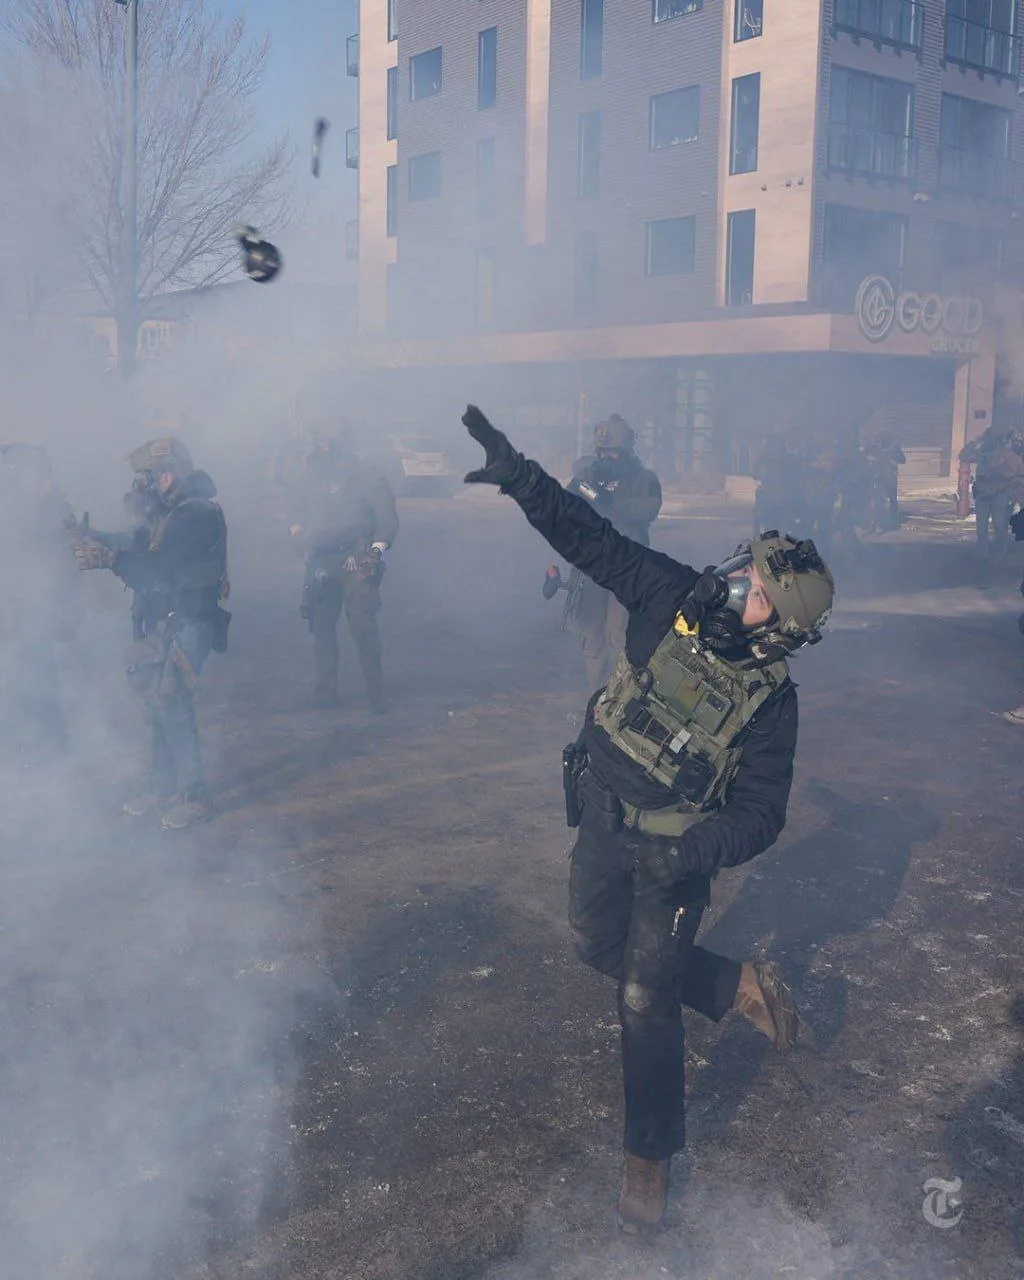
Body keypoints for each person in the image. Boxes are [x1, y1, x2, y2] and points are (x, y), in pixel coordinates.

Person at [461, 404, 834, 1236]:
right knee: (594, 943)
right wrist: (522, 477)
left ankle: (650, 1157)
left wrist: (694, 852)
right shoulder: (670, 596)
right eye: (746, 570)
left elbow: (762, 812)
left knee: (642, 997)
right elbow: (591, 541)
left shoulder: (771, 704)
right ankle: (735, 984)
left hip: (675, 853)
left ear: (783, 632)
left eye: (759, 596)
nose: (737, 587)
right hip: (601, 812)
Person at [73, 437, 230, 829]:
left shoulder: (196, 514)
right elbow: (135, 542)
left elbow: (157, 567)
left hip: (189, 622)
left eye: (157, 474)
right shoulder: (167, 512)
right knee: (157, 705)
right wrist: (97, 538)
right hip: (164, 621)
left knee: (173, 703)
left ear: (175, 473)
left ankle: (194, 795)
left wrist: (111, 560)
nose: (150, 484)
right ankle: (160, 785)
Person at [285, 430, 399, 713]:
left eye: (330, 445)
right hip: (321, 560)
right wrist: (297, 532)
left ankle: (376, 695)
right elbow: (297, 509)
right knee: (322, 628)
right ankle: (326, 694)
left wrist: (374, 552)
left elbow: (387, 518)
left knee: (363, 627)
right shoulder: (311, 475)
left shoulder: (368, 476)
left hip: (357, 560)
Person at [566, 416, 662, 689]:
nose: (607, 457)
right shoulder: (587, 477)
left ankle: (621, 697)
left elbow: (648, 510)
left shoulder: (644, 479)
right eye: (603, 452)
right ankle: (597, 694)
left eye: (613, 452)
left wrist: (611, 501)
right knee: (592, 634)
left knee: (618, 634)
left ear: (626, 452)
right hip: (592, 568)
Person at [0, 444, 80, 760]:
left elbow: (62, 563)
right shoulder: (16, 506)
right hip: (15, 608)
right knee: (15, 682)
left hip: (36, 610)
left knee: (37, 680)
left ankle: (50, 752)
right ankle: (24, 749)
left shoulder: (52, 509)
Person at [960, 426, 1024, 564]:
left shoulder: (1007, 454)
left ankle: (1000, 552)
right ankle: (984, 555)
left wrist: (1012, 489)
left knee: (1000, 525)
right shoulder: (982, 453)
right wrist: (975, 441)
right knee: (981, 526)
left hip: (999, 494)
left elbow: (1018, 472)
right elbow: (963, 455)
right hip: (983, 494)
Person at [864, 433, 906, 531]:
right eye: (880, 439)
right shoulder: (874, 447)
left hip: (890, 477)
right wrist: (870, 460)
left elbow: (903, 460)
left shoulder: (894, 448)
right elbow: (864, 456)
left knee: (892, 500)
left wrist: (894, 459)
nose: (881, 441)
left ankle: (893, 521)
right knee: (879, 500)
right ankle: (878, 522)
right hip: (879, 477)